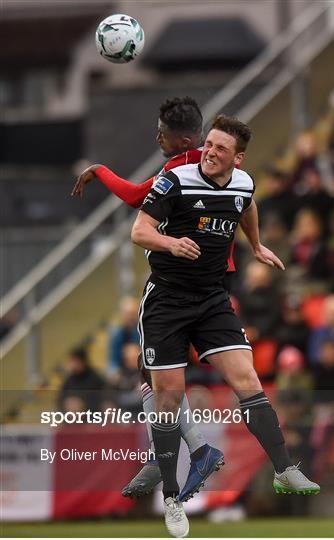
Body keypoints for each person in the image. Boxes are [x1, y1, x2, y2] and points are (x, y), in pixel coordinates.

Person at [131, 114, 320, 537]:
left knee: (249, 379)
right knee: (169, 398)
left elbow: (246, 205)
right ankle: (173, 500)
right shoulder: (176, 181)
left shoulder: (242, 183)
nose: (210, 153)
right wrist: (171, 242)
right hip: (166, 301)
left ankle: (284, 469)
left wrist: (255, 244)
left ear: (238, 158)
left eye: (220, 148)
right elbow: (139, 231)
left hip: (212, 298)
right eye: (209, 145)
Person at [72, 97, 226, 500]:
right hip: (211, 284)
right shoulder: (223, 165)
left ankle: (172, 454)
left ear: (186, 138)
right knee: (151, 372)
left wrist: (99, 170)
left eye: (163, 131)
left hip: (180, 289)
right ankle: (192, 450)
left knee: (156, 376)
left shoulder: (178, 169)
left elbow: (136, 195)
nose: (158, 136)